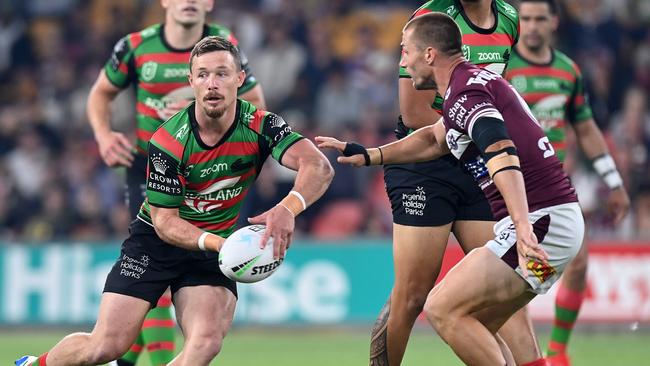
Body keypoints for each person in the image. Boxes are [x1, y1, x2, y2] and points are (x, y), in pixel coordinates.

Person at [16, 35, 333, 366]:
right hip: (155, 242)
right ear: (191, 81)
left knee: (205, 343)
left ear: (240, 80)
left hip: (212, 249)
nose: (213, 83)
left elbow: (318, 166)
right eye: (204, 74)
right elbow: (165, 223)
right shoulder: (168, 141)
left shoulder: (262, 125)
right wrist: (220, 245)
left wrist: (288, 207)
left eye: (223, 73)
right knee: (107, 346)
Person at [317, 12, 584, 365]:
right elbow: (431, 139)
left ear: (429, 54)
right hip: (555, 227)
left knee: (442, 308)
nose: (402, 62)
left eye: (405, 51)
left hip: (541, 226)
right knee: (479, 322)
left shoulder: (466, 94)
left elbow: (502, 152)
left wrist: (522, 227)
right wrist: (369, 155)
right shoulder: (469, 84)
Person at [86, 1, 266, 364]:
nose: (189, 1)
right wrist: (105, 136)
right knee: (157, 262)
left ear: (209, 3)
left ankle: (126, 358)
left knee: (173, 286)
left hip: (211, 171)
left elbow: (255, 102)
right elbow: (100, 92)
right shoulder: (136, 45)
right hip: (151, 169)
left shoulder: (224, 45)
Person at [374, 1, 544, 365]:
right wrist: (481, 129)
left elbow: (489, 92)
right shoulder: (430, 19)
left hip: (476, 160)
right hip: (425, 163)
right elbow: (416, 115)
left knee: (504, 283)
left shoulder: (509, 20)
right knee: (413, 295)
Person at [504, 1, 630, 364]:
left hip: (555, 184)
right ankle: (522, 348)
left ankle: (557, 350)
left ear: (554, 22)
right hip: (511, 183)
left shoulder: (568, 70)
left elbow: (586, 128)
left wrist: (613, 180)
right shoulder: (505, 68)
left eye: (539, 19)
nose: (531, 26)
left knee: (578, 262)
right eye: (525, 19)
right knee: (517, 271)